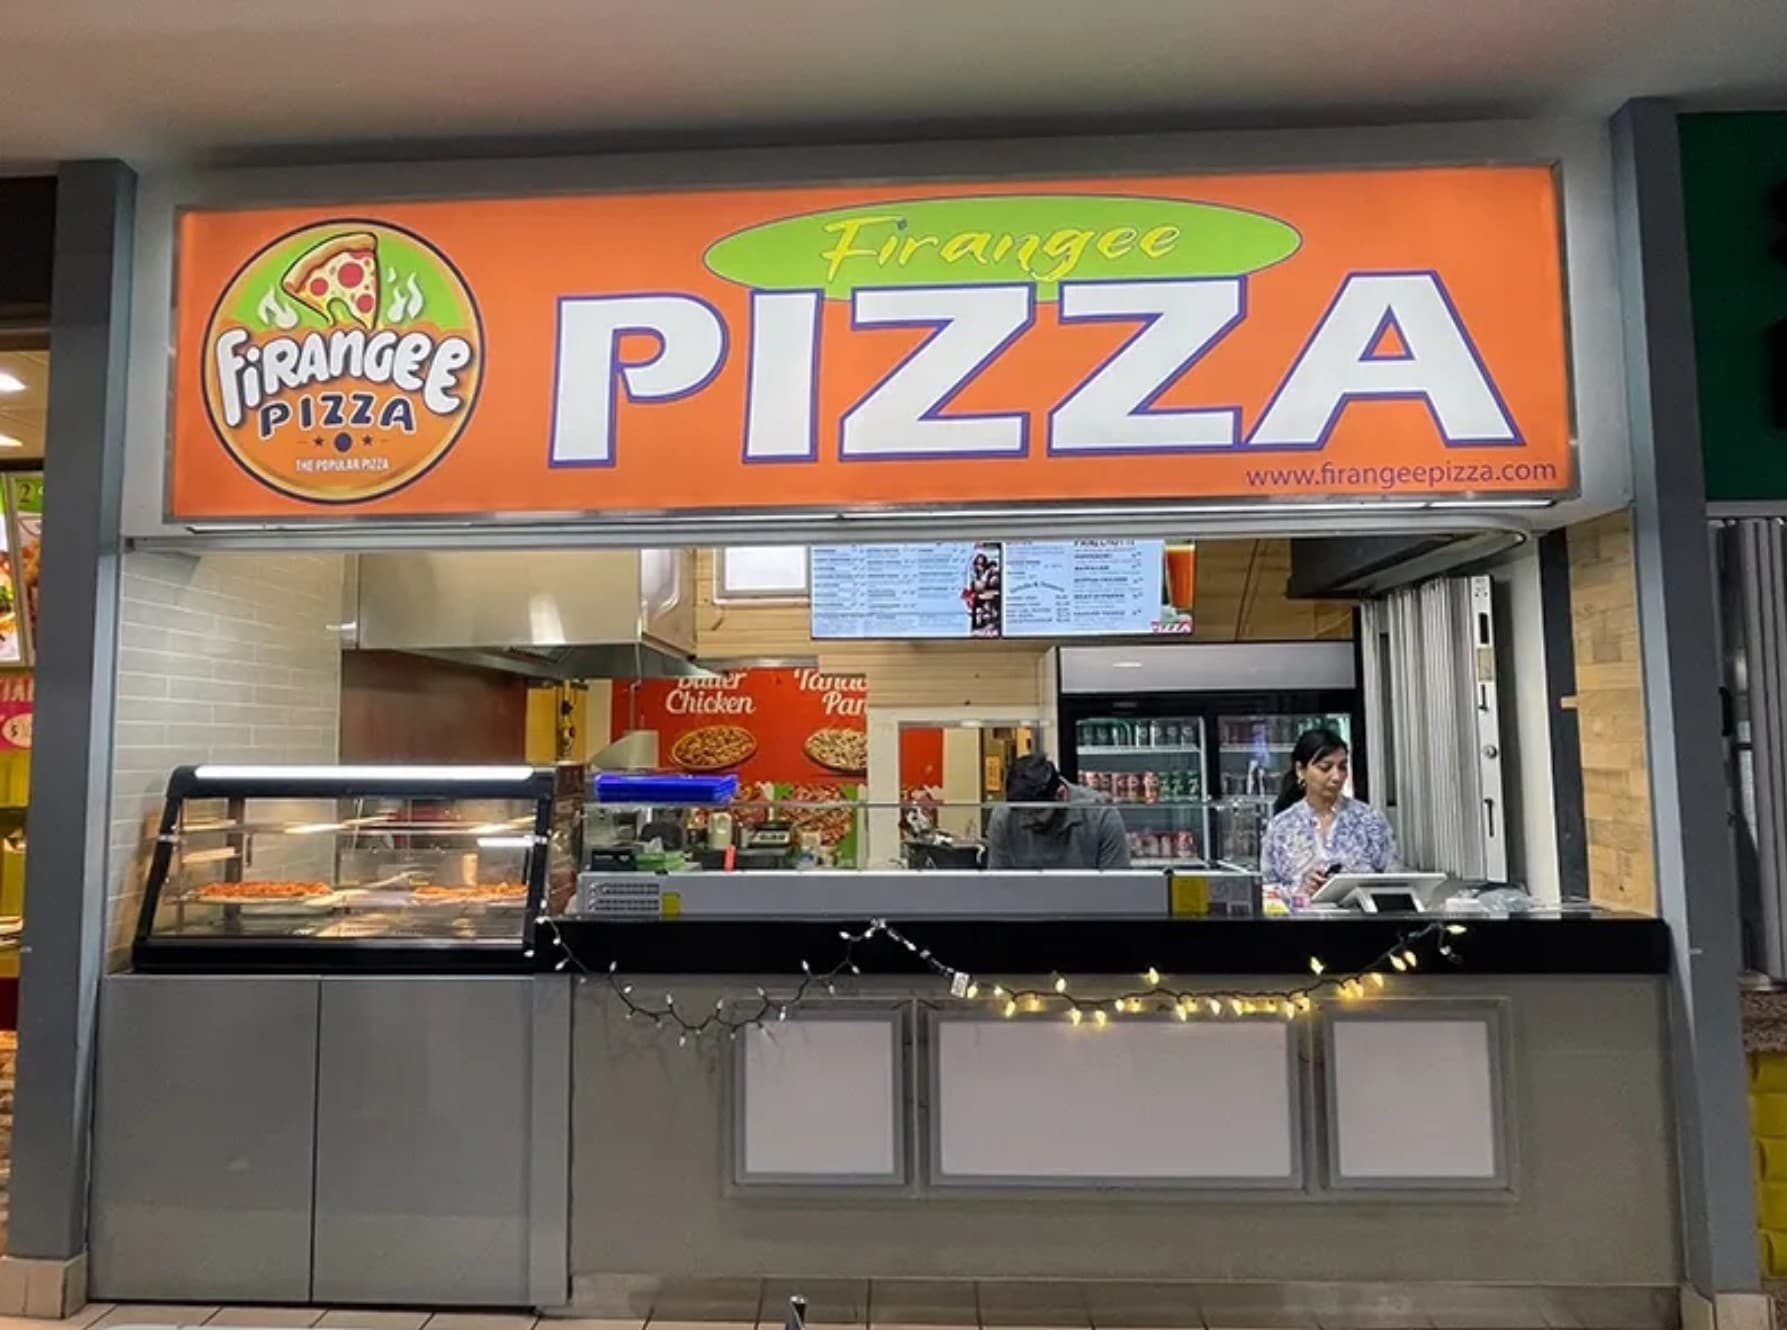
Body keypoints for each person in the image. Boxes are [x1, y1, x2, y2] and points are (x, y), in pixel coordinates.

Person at [1260, 727, 1395, 898]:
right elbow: (1266, 892)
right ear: (1300, 770)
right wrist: (1299, 891)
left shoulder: (1369, 821)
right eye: (1325, 768)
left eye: (1342, 767)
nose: (1336, 777)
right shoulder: (1281, 827)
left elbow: (1393, 880)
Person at [985, 753, 1131, 870]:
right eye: (1021, 812)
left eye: (1036, 812)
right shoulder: (1003, 818)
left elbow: (1116, 891)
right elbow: (999, 887)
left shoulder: (1101, 816)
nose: (1026, 820)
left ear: (1060, 795)